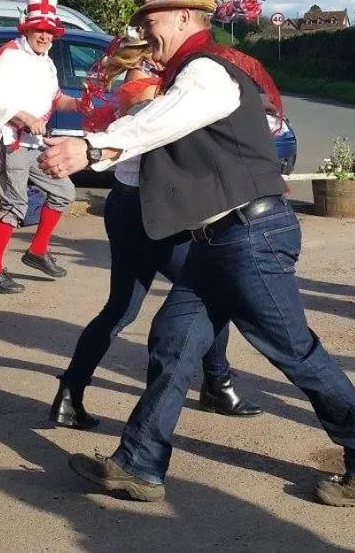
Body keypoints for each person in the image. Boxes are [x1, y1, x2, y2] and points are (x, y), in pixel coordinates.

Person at [40, 0, 355, 507]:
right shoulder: (185, 70)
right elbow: (161, 123)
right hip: (219, 238)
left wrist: (96, 147)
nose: (145, 28)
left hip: (251, 235)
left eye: (154, 18)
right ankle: (139, 464)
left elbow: (170, 118)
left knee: (295, 352)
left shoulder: (207, 68)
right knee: (174, 340)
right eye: (142, 19)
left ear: (189, 17)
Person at [51, 30, 261, 431]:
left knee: (121, 308)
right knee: (213, 294)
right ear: (149, 51)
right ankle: (218, 385)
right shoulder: (144, 89)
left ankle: (70, 392)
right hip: (151, 210)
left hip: (128, 204)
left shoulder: (132, 84)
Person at [0, 0, 83, 295]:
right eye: (40, 29)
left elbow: (55, 98)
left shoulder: (45, 62)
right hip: (12, 140)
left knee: (64, 191)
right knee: (14, 203)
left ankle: (37, 251)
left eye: (50, 31)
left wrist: (82, 104)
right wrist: (23, 117)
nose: (45, 36)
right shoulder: (8, 55)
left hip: (35, 142)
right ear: (28, 29)